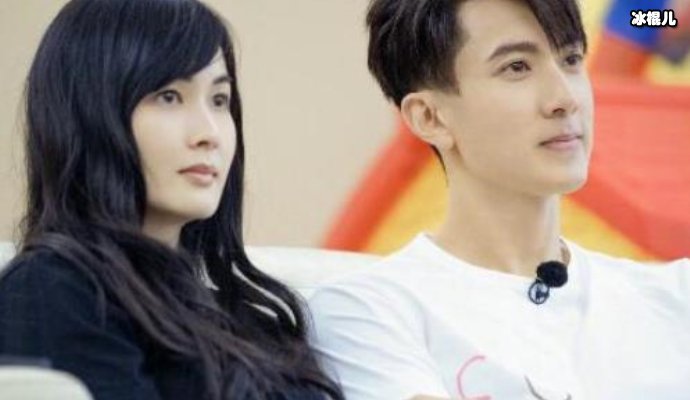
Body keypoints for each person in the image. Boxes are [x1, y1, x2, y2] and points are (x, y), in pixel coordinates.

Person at [308, 0, 690, 399]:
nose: (566, 98)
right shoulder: (371, 310)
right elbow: (638, 22)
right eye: (517, 67)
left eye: (572, 60)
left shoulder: (676, 296)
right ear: (429, 117)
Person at [0, 1, 343, 400]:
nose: (209, 133)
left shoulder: (248, 319)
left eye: (219, 100)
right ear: (90, 112)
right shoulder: (53, 289)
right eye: (168, 96)